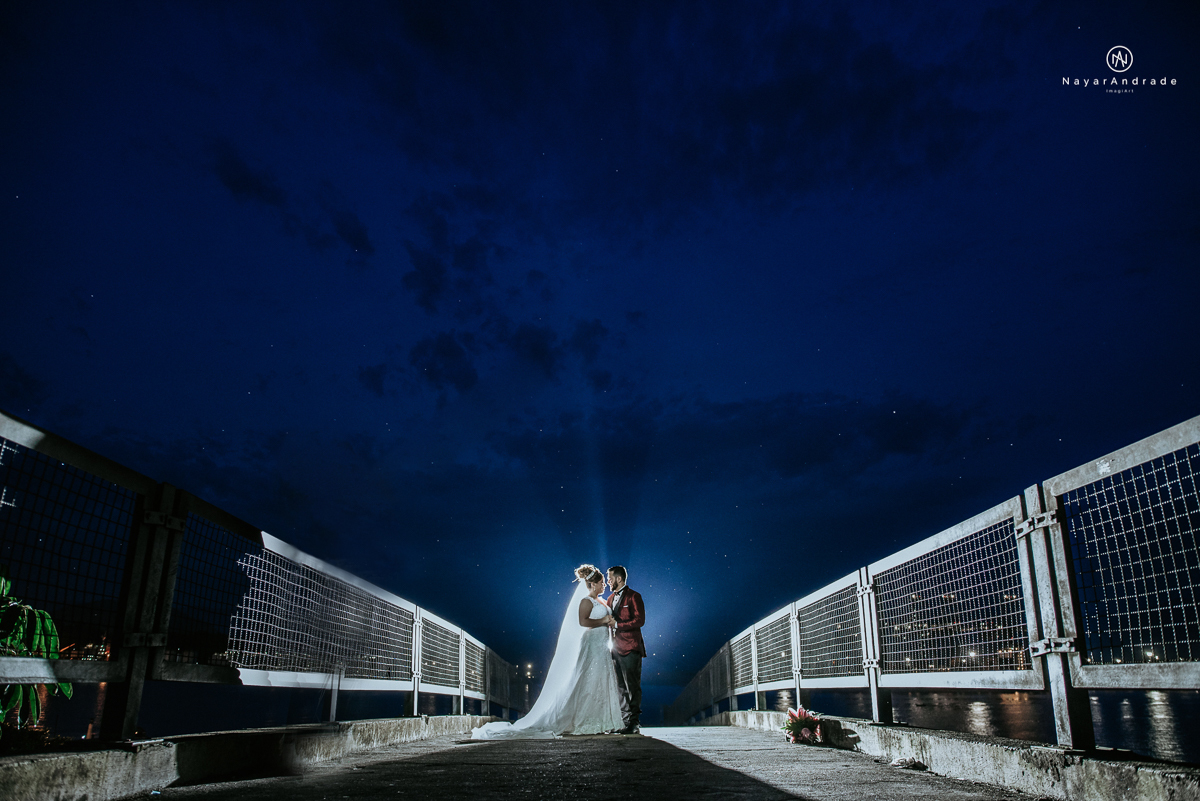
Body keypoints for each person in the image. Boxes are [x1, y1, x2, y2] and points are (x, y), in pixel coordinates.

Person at [471, 564, 623, 739]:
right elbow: (583, 622)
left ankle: (602, 720)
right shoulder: (586, 601)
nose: (604, 585)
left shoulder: (602, 601)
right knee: (588, 679)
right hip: (592, 644)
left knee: (601, 679)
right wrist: (603, 620)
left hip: (602, 645)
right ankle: (584, 719)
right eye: (601, 582)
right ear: (593, 584)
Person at [604, 565, 646, 734]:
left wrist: (618, 624)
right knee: (620, 687)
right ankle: (624, 720)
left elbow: (640, 620)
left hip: (631, 648)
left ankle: (634, 722)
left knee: (632, 686)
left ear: (619, 579)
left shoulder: (634, 596)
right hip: (614, 649)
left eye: (610, 578)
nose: (608, 581)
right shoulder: (609, 599)